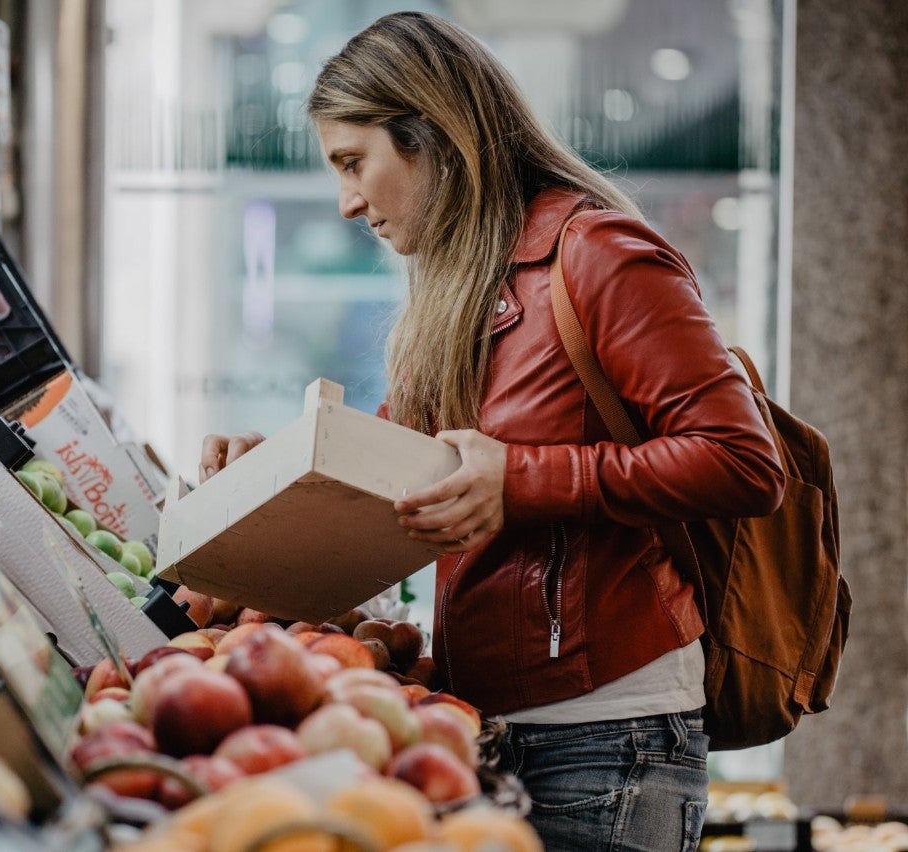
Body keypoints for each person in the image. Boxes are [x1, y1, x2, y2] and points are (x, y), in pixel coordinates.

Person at [198, 11, 784, 852]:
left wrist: (522, 482)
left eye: (354, 163)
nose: (348, 200)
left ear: (432, 136)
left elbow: (741, 461)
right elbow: (402, 465)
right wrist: (270, 472)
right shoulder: (459, 286)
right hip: (500, 724)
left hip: (606, 737)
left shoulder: (600, 254)